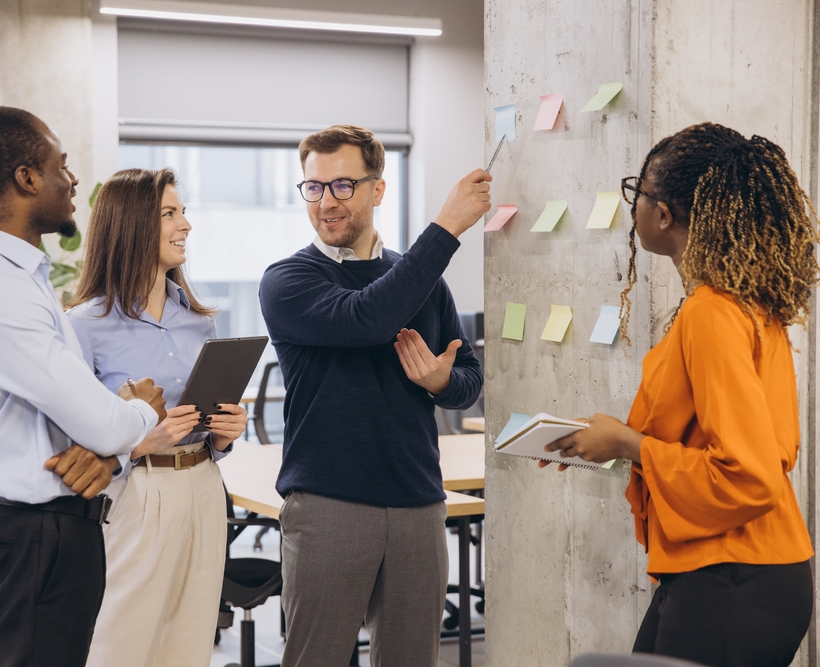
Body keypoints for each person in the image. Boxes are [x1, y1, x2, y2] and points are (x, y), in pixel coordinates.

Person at [543, 122, 818, 667]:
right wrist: (608, 438)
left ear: (664, 215)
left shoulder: (712, 312)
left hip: (733, 577)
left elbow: (749, 475)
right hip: (733, 570)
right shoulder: (745, 303)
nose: (634, 206)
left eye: (638, 193)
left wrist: (627, 444)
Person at [0, 107, 171, 667]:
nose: (73, 179)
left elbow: (80, 422)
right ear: (27, 178)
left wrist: (108, 450)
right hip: (28, 533)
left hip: (46, 528)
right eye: (61, 166)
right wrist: (141, 411)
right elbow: (105, 422)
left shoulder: (14, 276)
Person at [258, 124, 490, 667]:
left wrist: (440, 382)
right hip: (328, 505)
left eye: (342, 185)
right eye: (314, 187)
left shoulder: (420, 280)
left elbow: (469, 379)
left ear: (378, 189)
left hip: (418, 502)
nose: (326, 201)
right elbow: (367, 317)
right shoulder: (287, 280)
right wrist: (447, 227)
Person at [66, 168, 247, 667]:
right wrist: (141, 441)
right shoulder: (84, 325)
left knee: (190, 641)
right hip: (136, 493)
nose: (185, 224)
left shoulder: (200, 322)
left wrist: (225, 433)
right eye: (170, 213)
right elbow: (70, 440)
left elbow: (209, 425)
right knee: (121, 643)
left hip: (204, 486)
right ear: (131, 224)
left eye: (183, 212)